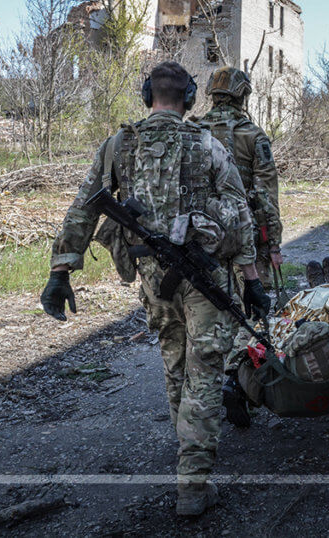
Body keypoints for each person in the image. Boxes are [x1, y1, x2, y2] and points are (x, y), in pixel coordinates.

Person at [39, 61, 270, 516]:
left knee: (176, 367)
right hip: (205, 282)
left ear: (147, 95)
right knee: (204, 372)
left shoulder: (118, 145)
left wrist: (61, 270)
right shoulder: (208, 144)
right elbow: (240, 216)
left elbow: (83, 207)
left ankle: (188, 459)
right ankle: (194, 485)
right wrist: (252, 281)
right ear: (190, 99)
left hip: (153, 280)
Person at [197, 66, 284, 290]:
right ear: (242, 96)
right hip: (245, 234)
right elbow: (266, 195)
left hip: (201, 232)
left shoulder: (193, 132)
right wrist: (274, 244)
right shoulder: (253, 135)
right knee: (253, 298)